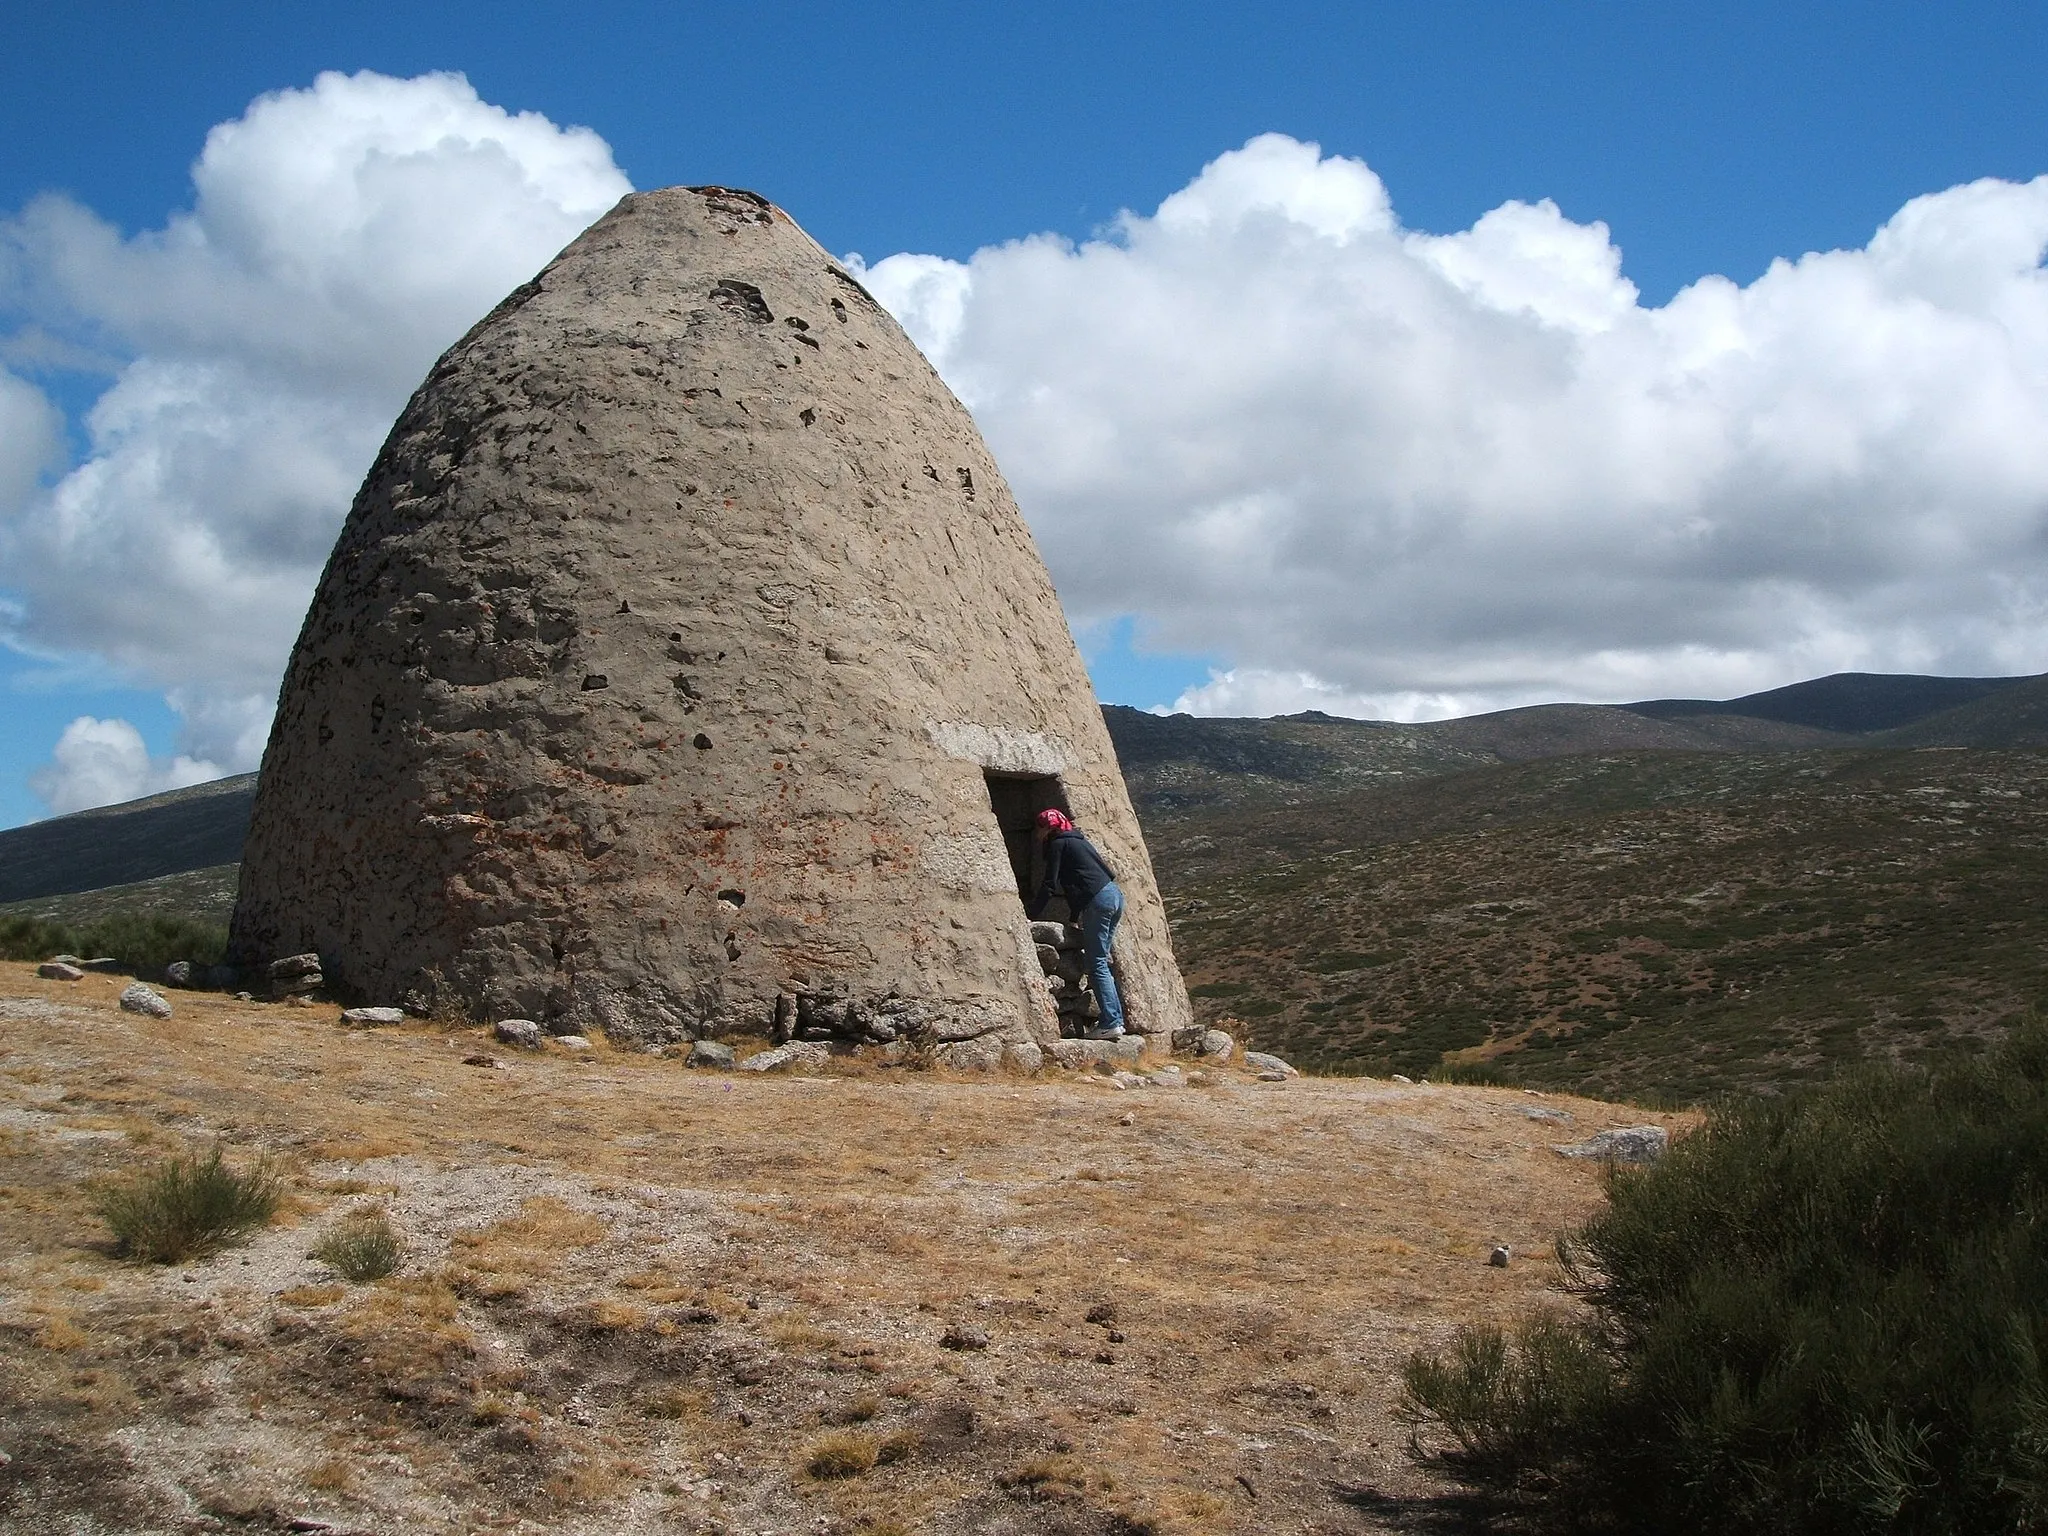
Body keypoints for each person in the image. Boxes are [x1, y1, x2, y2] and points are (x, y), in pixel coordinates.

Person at [1027, 808, 1126, 1040]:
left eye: (1040, 828)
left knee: (1097, 964)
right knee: (1102, 961)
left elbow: (1050, 883)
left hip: (1098, 901)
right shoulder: (1078, 841)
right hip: (1114, 896)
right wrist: (1074, 916)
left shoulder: (1058, 844)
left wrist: (1030, 914)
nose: (1037, 833)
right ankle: (1116, 1020)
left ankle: (1111, 1022)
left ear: (1048, 828)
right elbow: (1090, 876)